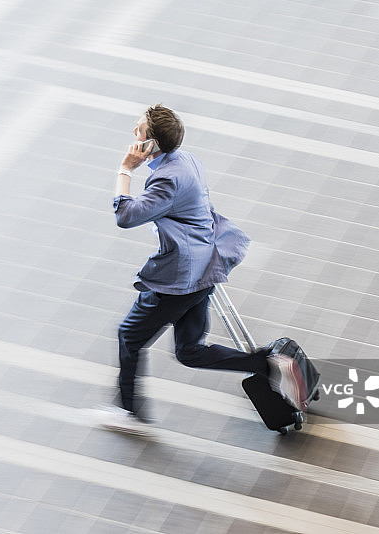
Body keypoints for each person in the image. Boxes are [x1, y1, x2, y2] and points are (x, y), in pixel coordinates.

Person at [98, 104, 268, 435]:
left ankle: (127, 410)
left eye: (140, 131)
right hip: (205, 264)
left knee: (129, 336)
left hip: (180, 277)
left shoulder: (167, 179)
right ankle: (265, 364)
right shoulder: (185, 159)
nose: (134, 134)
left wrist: (124, 169)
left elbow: (126, 217)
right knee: (189, 351)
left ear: (152, 144)